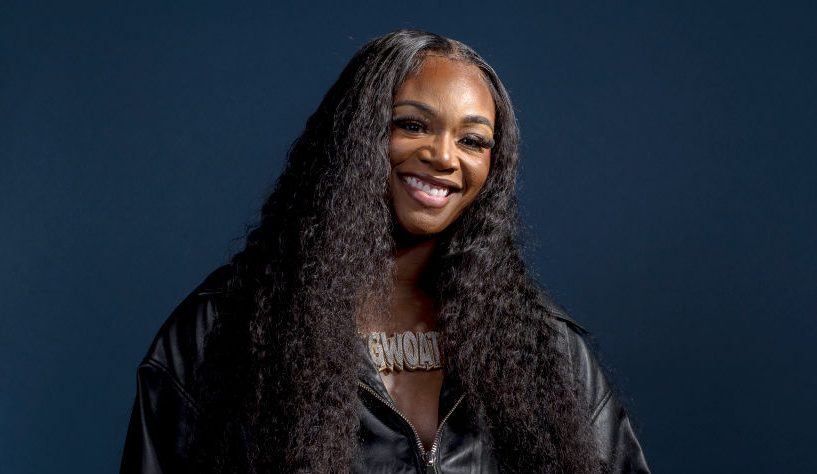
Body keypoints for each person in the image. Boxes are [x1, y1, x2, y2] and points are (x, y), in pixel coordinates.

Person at [120, 29, 650, 473]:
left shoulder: (546, 348)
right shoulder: (219, 333)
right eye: (412, 125)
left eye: (473, 141)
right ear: (354, 136)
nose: (443, 156)